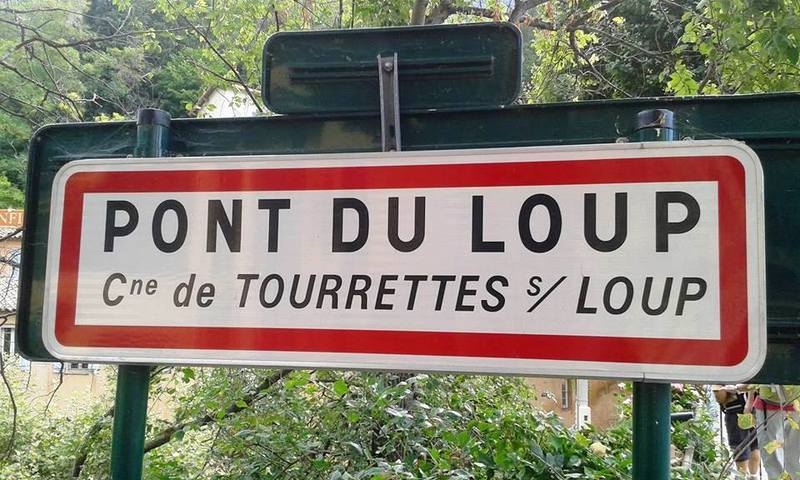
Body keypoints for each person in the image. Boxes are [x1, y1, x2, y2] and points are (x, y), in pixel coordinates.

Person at [745, 384, 800, 479]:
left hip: (796, 405)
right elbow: (755, 375)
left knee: (792, 456)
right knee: (770, 455)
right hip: (768, 404)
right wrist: (749, 401)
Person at [714, 385, 760, 479]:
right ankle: (753, 476)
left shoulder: (721, 376)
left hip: (735, 408)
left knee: (740, 448)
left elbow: (720, 397)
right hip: (753, 406)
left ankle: (741, 476)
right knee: (754, 445)